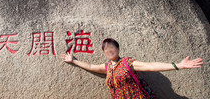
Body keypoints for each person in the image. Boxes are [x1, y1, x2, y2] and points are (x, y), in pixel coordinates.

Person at [60, 38, 203, 99]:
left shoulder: (128, 63)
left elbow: (150, 66)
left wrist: (178, 65)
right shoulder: (108, 67)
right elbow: (91, 66)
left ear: (117, 49)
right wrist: (73, 61)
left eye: (112, 47)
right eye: (106, 49)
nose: (109, 50)